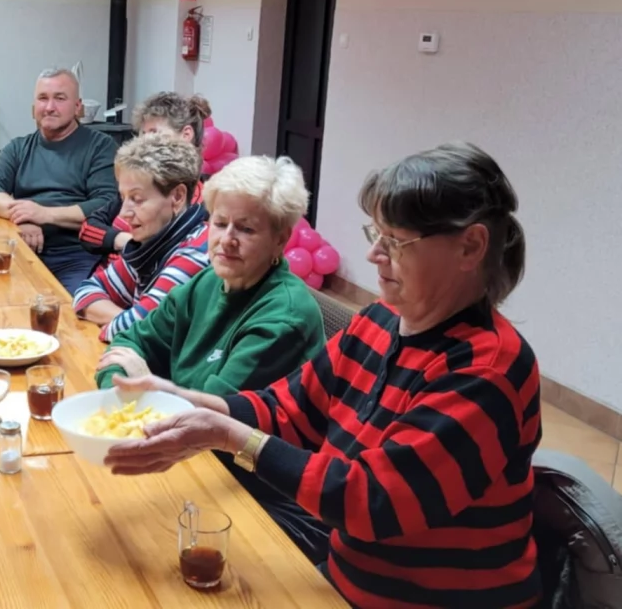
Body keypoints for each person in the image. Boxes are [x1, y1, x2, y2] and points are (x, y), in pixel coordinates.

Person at [105, 143, 541, 608]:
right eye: (376, 232)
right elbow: (289, 408)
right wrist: (187, 400)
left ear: (470, 247)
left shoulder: (485, 371)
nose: (374, 254)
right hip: (345, 576)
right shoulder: (378, 322)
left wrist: (233, 437)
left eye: (395, 240)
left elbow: (372, 501)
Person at [94, 154, 324, 396]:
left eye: (246, 229)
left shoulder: (284, 318)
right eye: (220, 223)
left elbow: (213, 416)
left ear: (280, 239)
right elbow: (129, 342)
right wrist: (121, 387)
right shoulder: (207, 281)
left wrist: (143, 388)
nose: (226, 241)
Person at [0, 68, 118, 293]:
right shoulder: (18, 148)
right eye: (43, 98)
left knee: (71, 315)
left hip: (77, 256)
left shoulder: (100, 146)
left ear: (77, 107)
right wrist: (23, 216)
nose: (49, 107)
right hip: (22, 249)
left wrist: (45, 215)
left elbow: (106, 204)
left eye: (60, 98)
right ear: (34, 107)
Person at [73, 132, 210, 342]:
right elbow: (85, 293)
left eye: (137, 199)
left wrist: (129, 324)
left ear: (177, 197)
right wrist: (129, 320)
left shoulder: (196, 252)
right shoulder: (152, 242)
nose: (124, 212)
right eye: (123, 198)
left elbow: (143, 329)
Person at [79, 92, 212, 255]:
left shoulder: (207, 205)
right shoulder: (136, 185)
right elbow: (87, 229)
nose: (144, 142)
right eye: (142, 134)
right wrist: (125, 241)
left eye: (153, 133)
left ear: (186, 135)